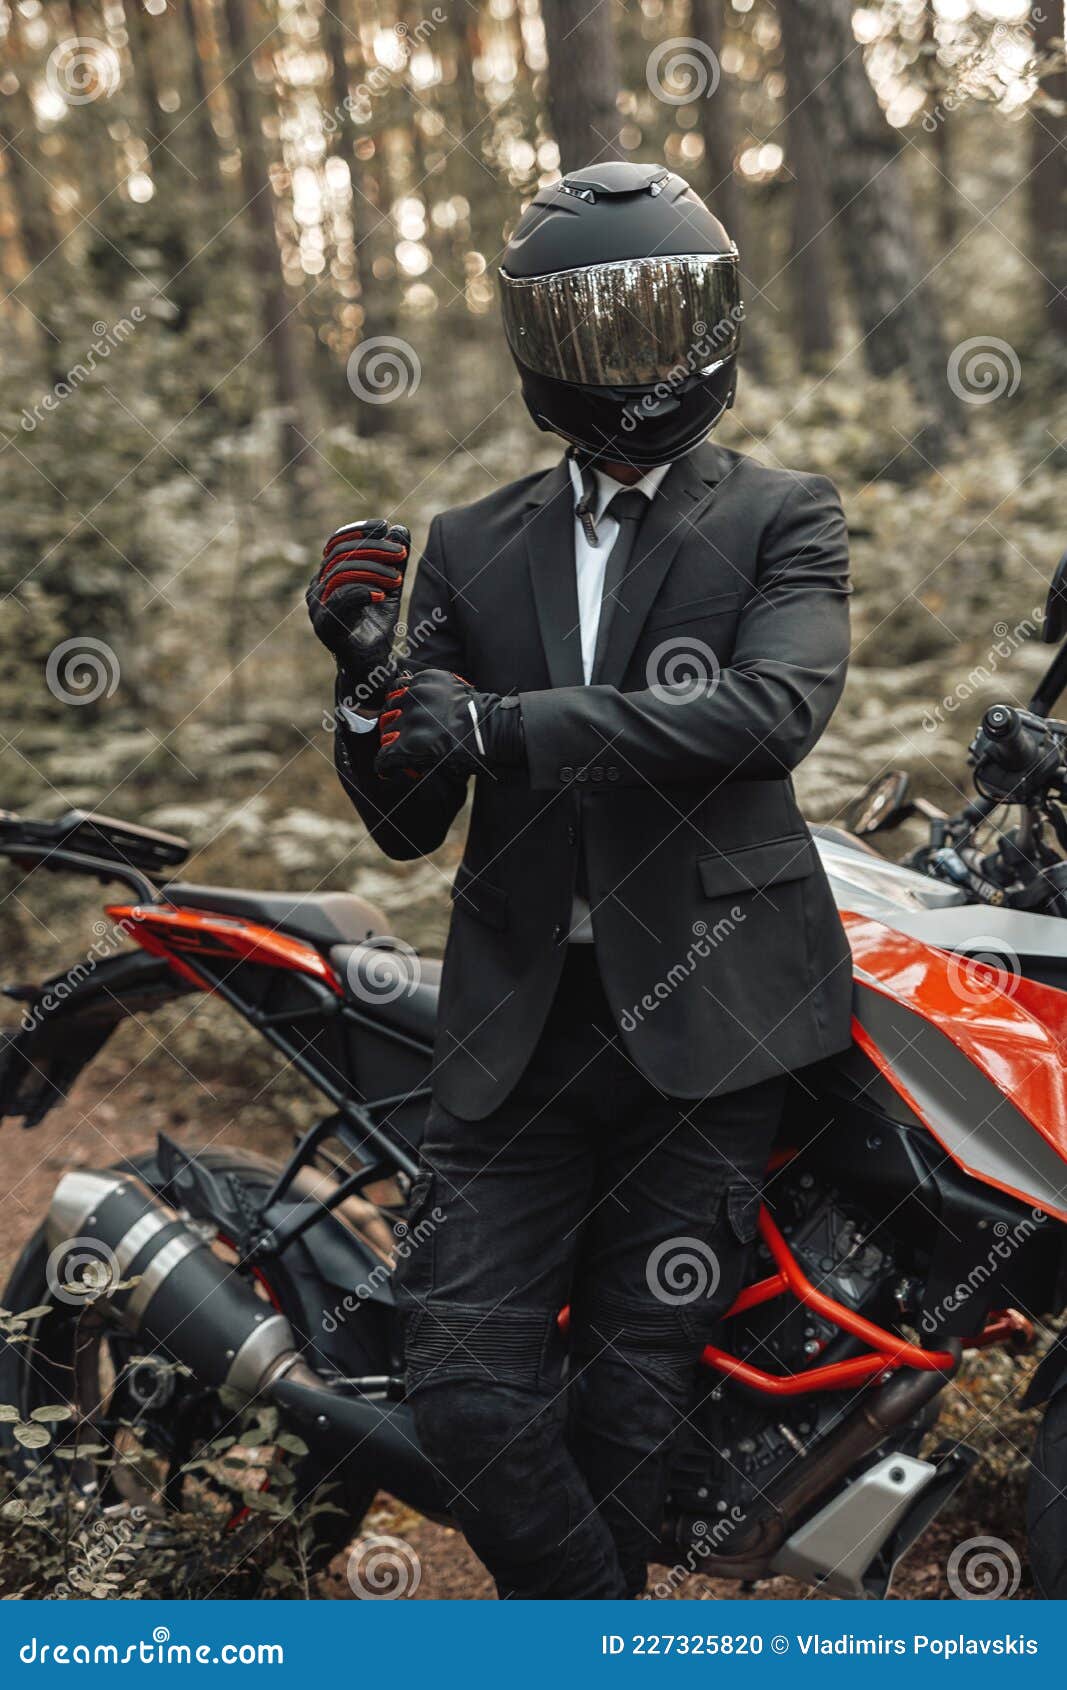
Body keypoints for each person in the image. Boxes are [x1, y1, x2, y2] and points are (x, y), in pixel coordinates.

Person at [306, 162, 853, 1599]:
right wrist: (368, 680)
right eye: (604, 326)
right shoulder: (475, 544)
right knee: (469, 1392)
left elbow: (768, 714)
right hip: (518, 1034)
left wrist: (503, 726)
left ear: (719, 325)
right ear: (541, 347)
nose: (643, 358)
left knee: (630, 1411)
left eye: (665, 319)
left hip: (715, 1025)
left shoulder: (786, 516)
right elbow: (407, 818)